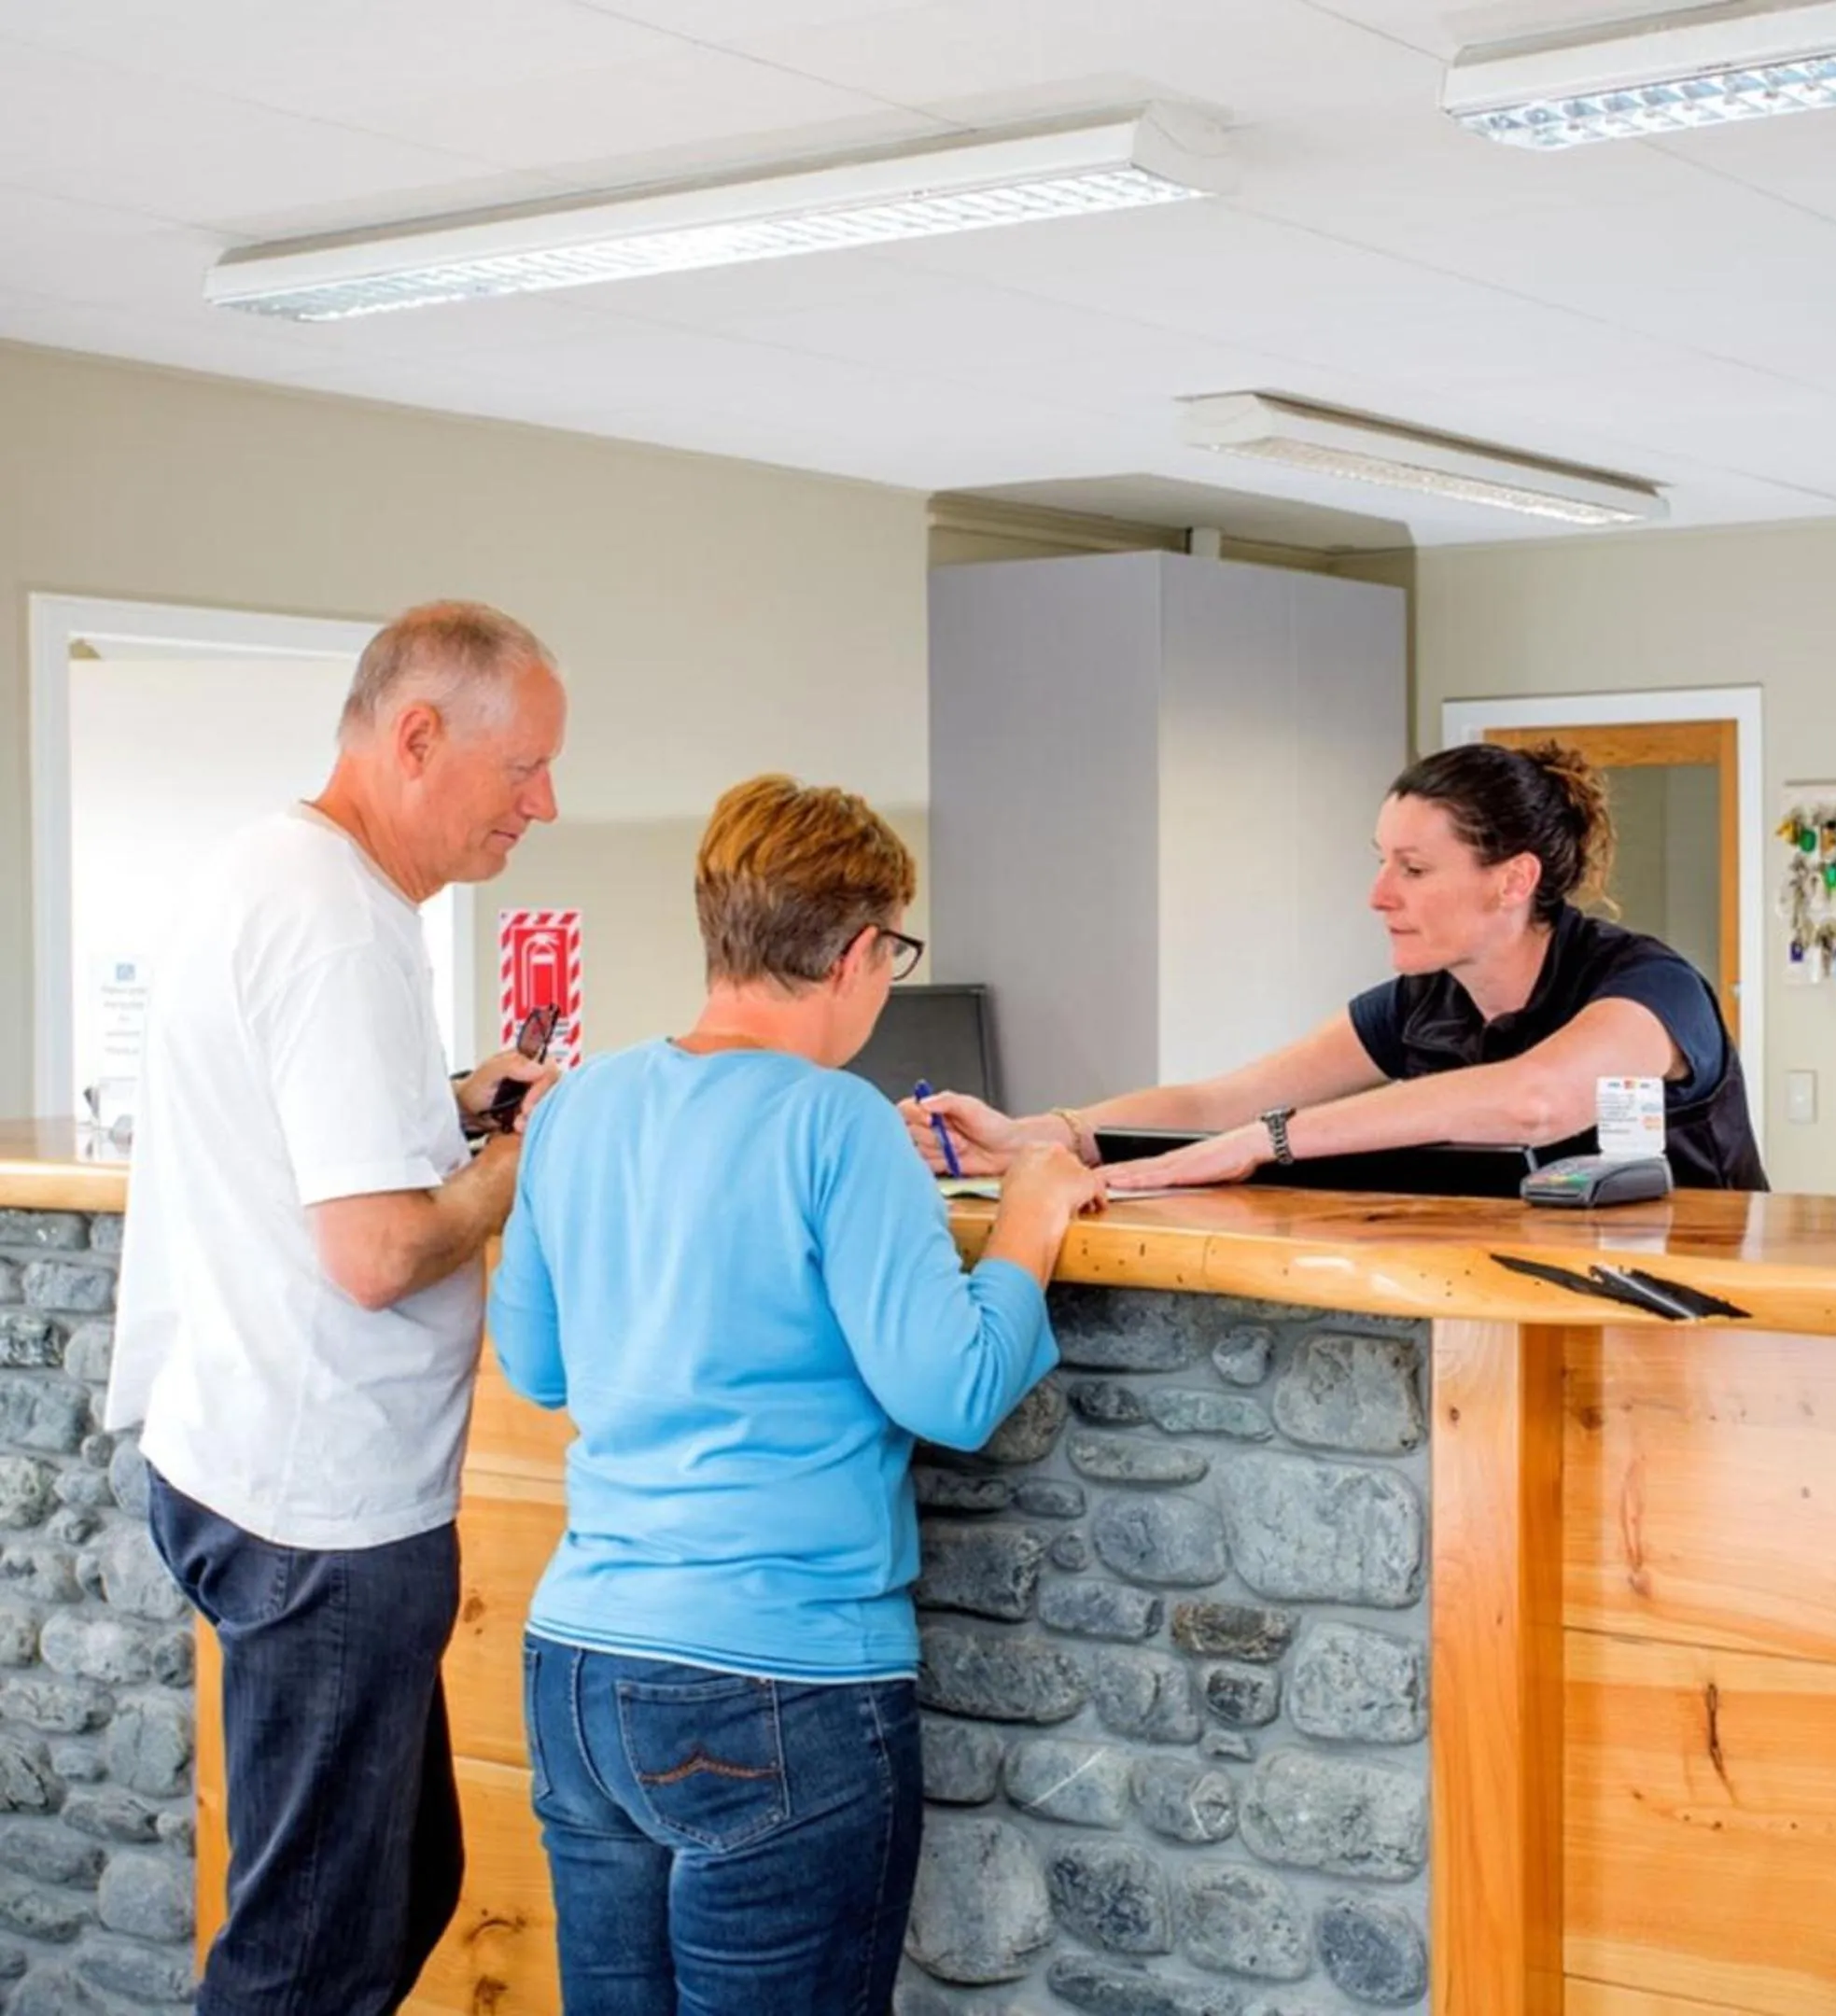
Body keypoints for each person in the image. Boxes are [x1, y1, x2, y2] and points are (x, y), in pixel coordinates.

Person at [488, 774, 1100, 2014]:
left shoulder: (579, 1107)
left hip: (580, 1670)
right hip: (779, 1681)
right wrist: (1034, 1208)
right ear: (861, 954)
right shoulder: (839, 1124)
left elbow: (540, 1368)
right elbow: (957, 1387)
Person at [107, 600, 568, 2014]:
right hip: (322, 1514)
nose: (542, 807)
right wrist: (512, 1169)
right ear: (418, 737)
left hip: (246, 1466)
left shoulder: (273, 871)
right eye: (522, 772)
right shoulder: (342, 928)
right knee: (308, 1958)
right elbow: (374, 1254)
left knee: (399, 1885)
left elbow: (294, 1145)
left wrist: (443, 1110)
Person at [909, 739, 1769, 1191]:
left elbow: (1531, 1100)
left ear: (1514, 880)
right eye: (1381, 860)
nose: (1378, 894)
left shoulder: (1649, 988)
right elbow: (1218, 1102)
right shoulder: (1419, 1007)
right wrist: (1039, 1137)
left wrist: (1270, 1142)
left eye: (1415, 869)